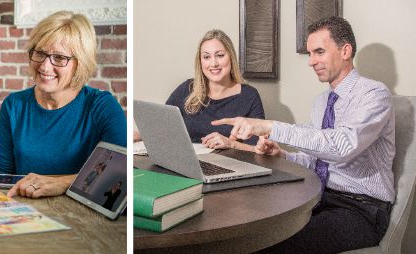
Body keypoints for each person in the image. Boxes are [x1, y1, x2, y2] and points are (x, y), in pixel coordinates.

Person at [213, 16, 395, 253]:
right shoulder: (322, 102)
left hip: (361, 209)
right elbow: (319, 160)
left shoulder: (373, 94)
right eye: (310, 54)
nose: (311, 61)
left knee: (275, 245)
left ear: (345, 51)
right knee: (252, 232)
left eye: (319, 52)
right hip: (318, 197)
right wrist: (283, 156)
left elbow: (341, 148)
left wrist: (270, 126)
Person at [0, 11, 127, 199]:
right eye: (40, 53)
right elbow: (4, 179)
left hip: (84, 213)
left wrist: (63, 183)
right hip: (25, 209)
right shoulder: (13, 105)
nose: (44, 67)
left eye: (59, 58)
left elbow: (121, 173)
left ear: (80, 63)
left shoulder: (102, 106)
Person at [164, 29, 265, 152]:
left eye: (220, 55)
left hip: (231, 166)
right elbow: (161, 125)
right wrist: (137, 135)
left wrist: (230, 143)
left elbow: (258, 149)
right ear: (200, 62)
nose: (213, 63)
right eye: (206, 57)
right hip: (187, 163)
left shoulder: (249, 96)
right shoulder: (187, 88)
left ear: (231, 57)